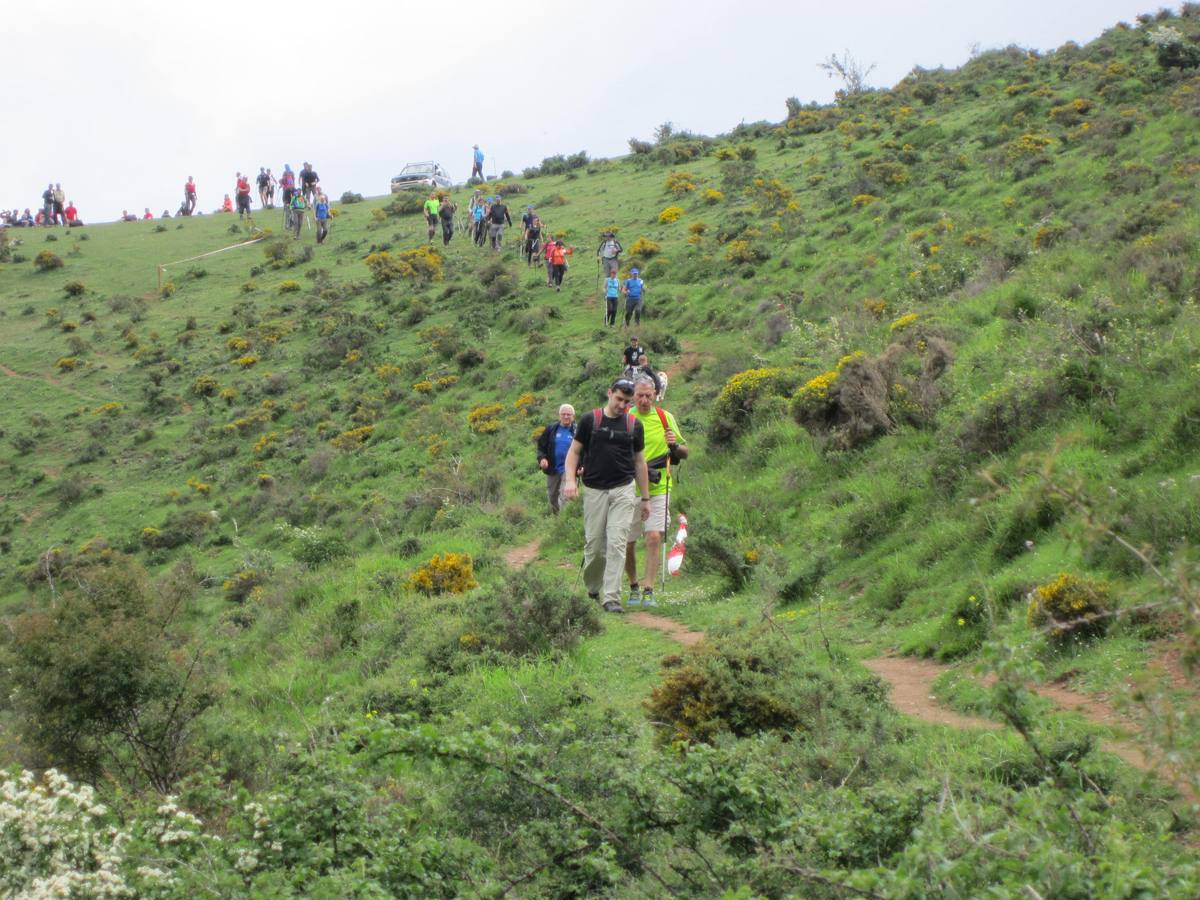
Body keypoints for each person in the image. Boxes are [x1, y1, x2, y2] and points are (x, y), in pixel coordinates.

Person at [562, 378, 651, 614]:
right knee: (595, 546)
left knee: (617, 542)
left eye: (627, 401)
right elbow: (574, 453)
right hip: (594, 490)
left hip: (623, 488)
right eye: (619, 399)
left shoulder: (634, 425)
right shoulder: (590, 420)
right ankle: (593, 587)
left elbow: (640, 462)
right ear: (609, 393)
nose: (622, 405)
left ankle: (611, 597)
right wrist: (570, 481)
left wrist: (645, 498)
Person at [623, 377, 688, 608]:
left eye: (648, 395)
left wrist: (674, 446)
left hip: (659, 486)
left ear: (656, 394)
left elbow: (684, 452)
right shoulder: (626, 418)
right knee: (627, 541)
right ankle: (633, 585)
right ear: (633, 395)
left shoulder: (665, 418)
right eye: (639, 395)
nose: (643, 400)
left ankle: (648, 589)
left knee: (653, 536)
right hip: (629, 487)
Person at [536, 404, 576, 514]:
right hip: (553, 468)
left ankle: (563, 522)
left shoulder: (577, 431)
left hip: (569, 470)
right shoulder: (551, 429)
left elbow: (583, 451)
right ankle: (557, 518)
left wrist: (582, 466)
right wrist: (542, 459)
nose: (566, 416)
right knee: (552, 497)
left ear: (573, 416)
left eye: (569, 414)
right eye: (564, 414)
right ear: (559, 415)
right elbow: (541, 447)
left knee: (565, 497)